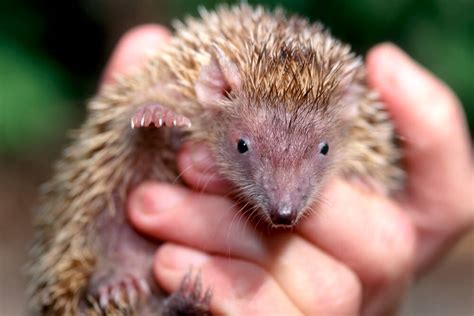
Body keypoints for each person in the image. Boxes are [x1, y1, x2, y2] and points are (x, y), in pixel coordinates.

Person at [101, 25, 474, 315]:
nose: (284, 205)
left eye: (322, 150)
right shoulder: (182, 94)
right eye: (244, 146)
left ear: (346, 107)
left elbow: (376, 167)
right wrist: (151, 111)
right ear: (216, 90)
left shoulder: (358, 146)